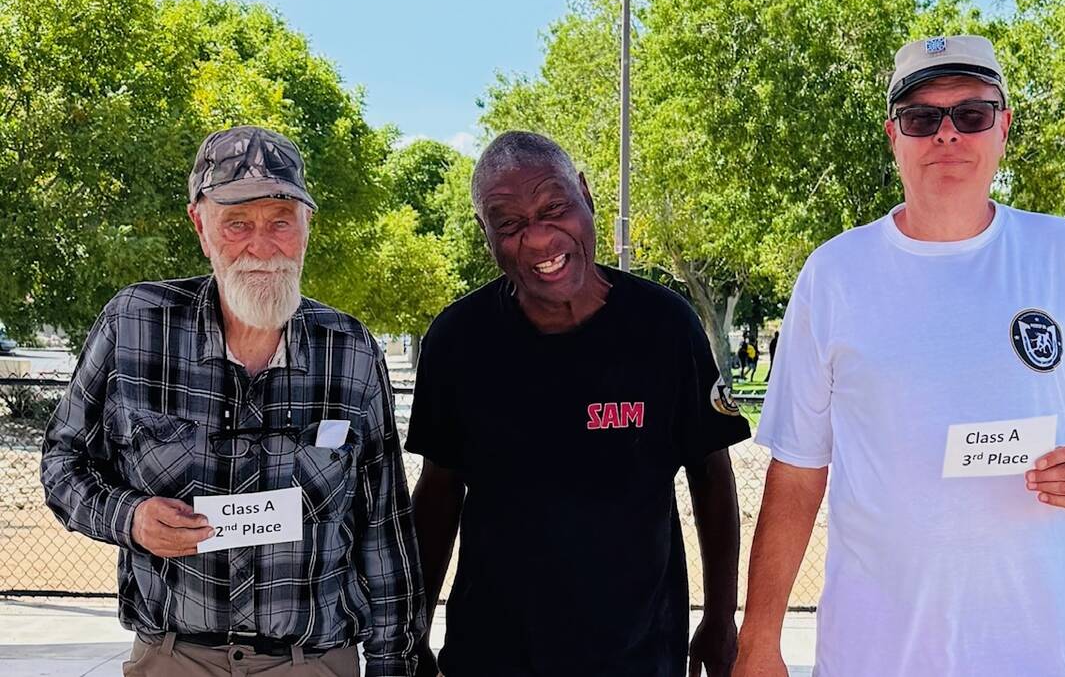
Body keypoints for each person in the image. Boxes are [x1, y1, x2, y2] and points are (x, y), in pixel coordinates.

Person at [733, 35, 1065, 677]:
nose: (947, 134)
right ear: (893, 136)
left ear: (1003, 127)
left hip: (1035, 655)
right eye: (923, 118)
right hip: (873, 657)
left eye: (972, 114)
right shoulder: (835, 274)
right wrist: (758, 644)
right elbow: (796, 474)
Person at [41, 125, 425, 677]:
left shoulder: (351, 350)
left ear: (307, 225)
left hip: (312, 663)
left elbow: (383, 527)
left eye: (281, 222)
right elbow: (62, 464)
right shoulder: (134, 325)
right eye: (237, 224)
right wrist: (130, 518)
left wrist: (397, 665)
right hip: (174, 657)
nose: (261, 246)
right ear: (200, 224)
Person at [406, 131, 751, 677]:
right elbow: (439, 491)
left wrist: (721, 616)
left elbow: (711, 473)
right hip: (491, 655)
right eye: (510, 224)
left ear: (586, 196)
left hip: (638, 655)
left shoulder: (665, 327)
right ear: (485, 232)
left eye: (555, 207)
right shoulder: (456, 341)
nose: (540, 239)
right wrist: (413, 629)